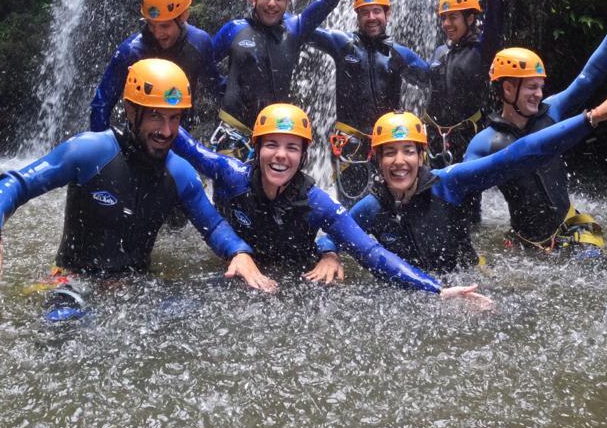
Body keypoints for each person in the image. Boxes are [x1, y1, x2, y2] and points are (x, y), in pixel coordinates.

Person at [0, 60, 275, 321]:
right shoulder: (89, 151)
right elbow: (17, 183)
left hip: (134, 286)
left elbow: (214, 225)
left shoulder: (180, 172)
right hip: (74, 281)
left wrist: (239, 252)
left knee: (197, 316)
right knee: (62, 330)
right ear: (132, 111)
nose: (166, 131)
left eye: (174, 119)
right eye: (155, 116)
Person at [172, 102, 492, 305]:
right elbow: (185, 145)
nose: (281, 155)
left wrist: (435, 289)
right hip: (234, 271)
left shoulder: (317, 202)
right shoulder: (230, 173)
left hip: (292, 279)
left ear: (303, 156)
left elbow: (370, 253)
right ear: (256, 149)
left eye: (292, 148)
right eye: (271, 145)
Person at [349, 61, 607, 271]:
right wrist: (329, 255)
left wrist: (592, 117)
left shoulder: (449, 183)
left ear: (422, 156)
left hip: (465, 281)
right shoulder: (371, 207)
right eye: (389, 153)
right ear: (377, 159)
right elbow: (332, 229)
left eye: (408, 152)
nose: (399, 162)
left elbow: (519, 153)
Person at [466, 0, 607, 256]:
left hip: (569, 230)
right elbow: (460, 192)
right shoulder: (484, 143)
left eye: (540, 87)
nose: (539, 94)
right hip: (526, 245)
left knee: (598, 268)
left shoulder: (552, 112)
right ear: (507, 89)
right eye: (531, 87)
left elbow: (588, 78)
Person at [210, 0, 363, 160]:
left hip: (273, 133)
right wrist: (222, 88)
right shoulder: (234, 29)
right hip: (233, 132)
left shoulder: (295, 29)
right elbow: (203, 63)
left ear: (287, 2)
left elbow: (325, 2)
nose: (272, 3)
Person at [307, 0, 429, 205]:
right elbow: (303, 27)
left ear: (387, 14)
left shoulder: (399, 54)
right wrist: (273, 9)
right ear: (357, 16)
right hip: (350, 146)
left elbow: (435, 81)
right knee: (352, 213)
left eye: (377, 11)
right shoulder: (343, 44)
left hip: (388, 146)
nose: (371, 17)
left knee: (392, 210)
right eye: (365, 12)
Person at [425, 0, 503, 237]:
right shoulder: (440, 52)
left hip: (466, 138)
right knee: (432, 202)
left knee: (468, 209)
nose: (446, 24)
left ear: (471, 19)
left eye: (453, 17)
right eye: (443, 18)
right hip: (432, 137)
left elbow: (496, 8)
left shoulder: (483, 50)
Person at [90, 0, 223, 132]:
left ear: (183, 16)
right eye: (151, 25)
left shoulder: (199, 44)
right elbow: (102, 103)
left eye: (165, 26)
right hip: (139, 138)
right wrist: (104, 147)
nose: (158, 33)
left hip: (180, 135)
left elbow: (216, 87)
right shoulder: (131, 52)